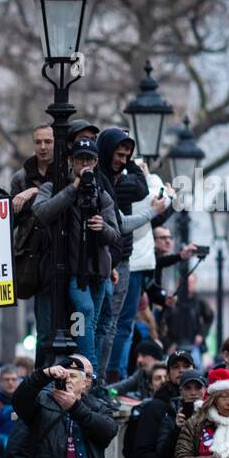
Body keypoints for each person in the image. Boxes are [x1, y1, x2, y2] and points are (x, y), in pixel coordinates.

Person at [28, 137, 121, 371]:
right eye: (80, 160)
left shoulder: (102, 194)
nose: (85, 165)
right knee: (85, 313)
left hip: (98, 272)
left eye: (89, 160)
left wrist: (103, 228)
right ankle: (89, 376)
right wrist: (74, 188)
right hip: (71, 272)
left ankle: (86, 373)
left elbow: (115, 234)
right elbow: (40, 213)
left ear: (97, 161)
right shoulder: (55, 186)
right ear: (71, 161)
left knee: (95, 324)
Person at [94, 128, 166, 390]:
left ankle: (99, 381)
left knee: (110, 325)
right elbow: (128, 213)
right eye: (119, 154)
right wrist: (151, 211)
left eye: (127, 156)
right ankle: (99, 380)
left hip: (117, 259)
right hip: (110, 261)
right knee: (108, 325)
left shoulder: (113, 179)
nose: (122, 160)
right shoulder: (109, 181)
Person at [163, 274, 215, 362]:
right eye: (186, 283)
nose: (188, 285)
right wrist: (168, 343)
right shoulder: (172, 301)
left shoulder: (199, 301)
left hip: (193, 344)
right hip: (174, 345)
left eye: (191, 282)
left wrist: (201, 335)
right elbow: (162, 322)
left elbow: (209, 317)